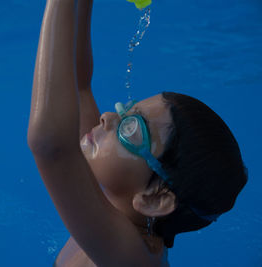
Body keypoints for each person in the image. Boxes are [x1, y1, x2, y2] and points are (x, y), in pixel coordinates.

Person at [27, 0, 248, 266]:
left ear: (155, 198)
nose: (107, 117)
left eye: (130, 129)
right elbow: (79, 86)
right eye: (126, 112)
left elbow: (52, 147)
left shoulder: (132, 255)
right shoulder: (113, 212)